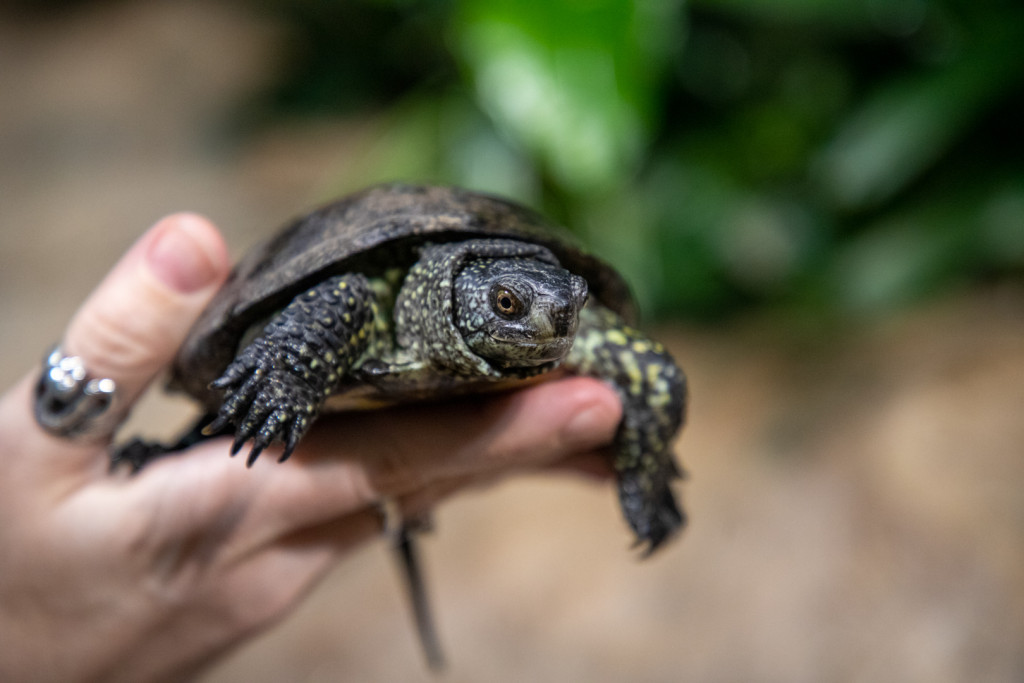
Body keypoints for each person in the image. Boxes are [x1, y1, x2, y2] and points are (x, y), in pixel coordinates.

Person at [0, 214, 622, 681]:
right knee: (256, 396)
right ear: (451, 288)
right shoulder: (368, 295)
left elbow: (647, 371)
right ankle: (193, 440)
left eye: (564, 312)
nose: (550, 329)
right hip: (310, 364)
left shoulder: (559, 323)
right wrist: (290, 373)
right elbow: (342, 295)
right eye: (508, 305)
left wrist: (643, 460)